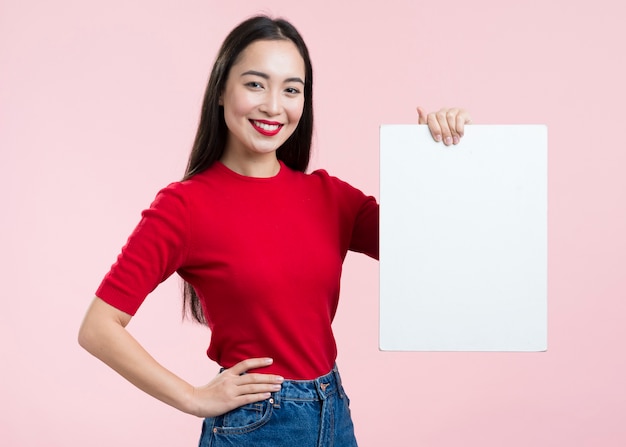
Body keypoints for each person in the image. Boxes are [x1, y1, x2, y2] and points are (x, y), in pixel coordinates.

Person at [78, 15, 471, 447]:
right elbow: (99, 327)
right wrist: (192, 397)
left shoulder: (330, 197)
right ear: (221, 92)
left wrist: (432, 158)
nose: (273, 105)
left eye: (291, 89)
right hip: (256, 425)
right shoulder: (185, 206)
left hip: (333, 413)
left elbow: (431, 246)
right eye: (255, 84)